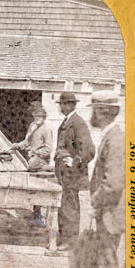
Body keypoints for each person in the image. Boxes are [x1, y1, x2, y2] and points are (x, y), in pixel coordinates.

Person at [73, 90, 124, 268]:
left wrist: (95, 202)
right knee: (101, 265)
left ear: (104, 111)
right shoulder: (110, 135)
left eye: (94, 109)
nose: (92, 114)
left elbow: (113, 184)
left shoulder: (116, 138)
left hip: (110, 214)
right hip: (106, 212)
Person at [54, 92, 95, 250]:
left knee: (70, 206)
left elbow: (89, 150)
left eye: (63, 104)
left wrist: (74, 161)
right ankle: (64, 237)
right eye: (61, 104)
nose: (61, 107)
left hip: (72, 173)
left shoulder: (78, 123)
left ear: (71, 105)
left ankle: (70, 241)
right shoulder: (67, 121)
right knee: (64, 205)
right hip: (64, 173)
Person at [12, 106, 54, 172]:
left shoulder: (46, 129)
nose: (38, 118)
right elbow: (26, 142)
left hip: (41, 159)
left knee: (30, 166)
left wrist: (36, 153)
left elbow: (48, 148)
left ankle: (50, 168)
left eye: (40, 116)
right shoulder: (32, 127)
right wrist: (17, 145)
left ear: (44, 118)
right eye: (36, 116)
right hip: (31, 157)